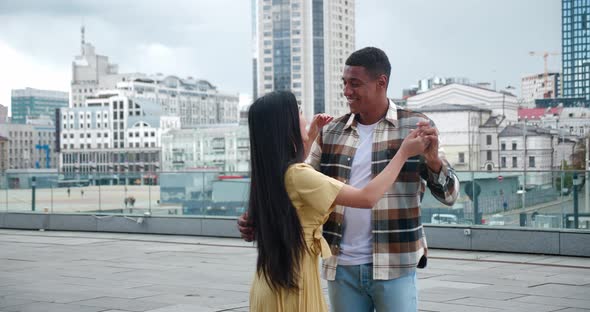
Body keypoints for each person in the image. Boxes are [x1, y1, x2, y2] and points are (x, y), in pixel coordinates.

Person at [240, 47, 460, 311]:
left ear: (381, 83)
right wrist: (253, 216)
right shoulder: (331, 132)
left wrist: (433, 160)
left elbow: (450, 195)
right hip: (341, 267)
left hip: (395, 264)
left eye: (355, 84)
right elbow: (294, 185)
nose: (346, 91)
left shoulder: (416, 128)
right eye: (344, 83)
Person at [247, 90, 429, 312]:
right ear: (286, 125)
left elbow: (296, 179)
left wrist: (310, 136)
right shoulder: (298, 175)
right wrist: (403, 154)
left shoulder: (268, 175)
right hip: (294, 289)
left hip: (269, 286)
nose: (304, 116)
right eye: (299, 112)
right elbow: (367, 197)